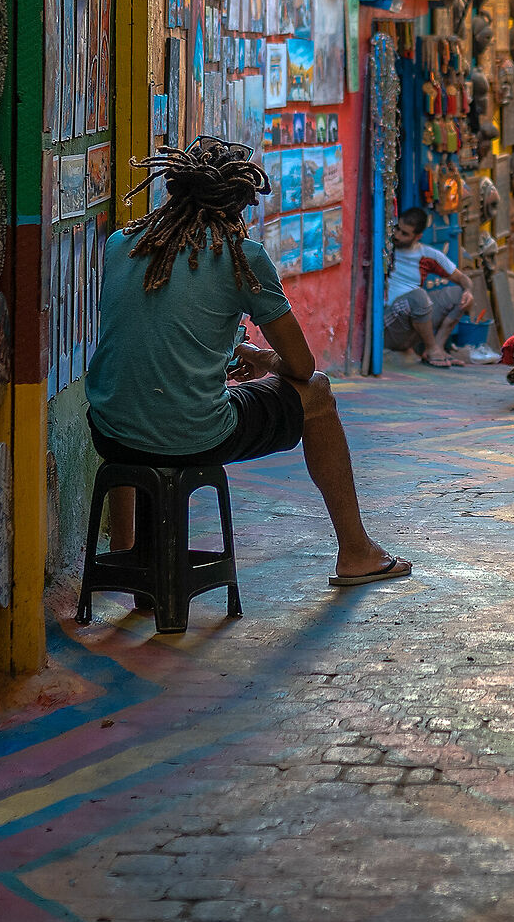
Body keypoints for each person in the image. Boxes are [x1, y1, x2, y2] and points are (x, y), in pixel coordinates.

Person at [85, 138, 410, 591]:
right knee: (317, 392)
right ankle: (355, 551)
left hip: (111, 431)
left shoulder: (123, 244)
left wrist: (226, 354)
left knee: (136, 406)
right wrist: (259, 357)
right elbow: (300, 364)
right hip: (195, 436)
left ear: (174, 189)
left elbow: (157, 334)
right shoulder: (242, 257)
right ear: (240, 202)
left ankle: (133, 566)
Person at [380, 207, 477, 368]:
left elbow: (462, 278)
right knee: (418, 296)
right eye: (397, 229)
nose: (397, 236)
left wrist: (469, 292)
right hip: (389, 324)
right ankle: (432, 348)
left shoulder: (427, 254)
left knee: (459, 295)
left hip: (414, 322)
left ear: (417, 237)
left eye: (405, 234)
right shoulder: (384, 247)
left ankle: (435, 348)